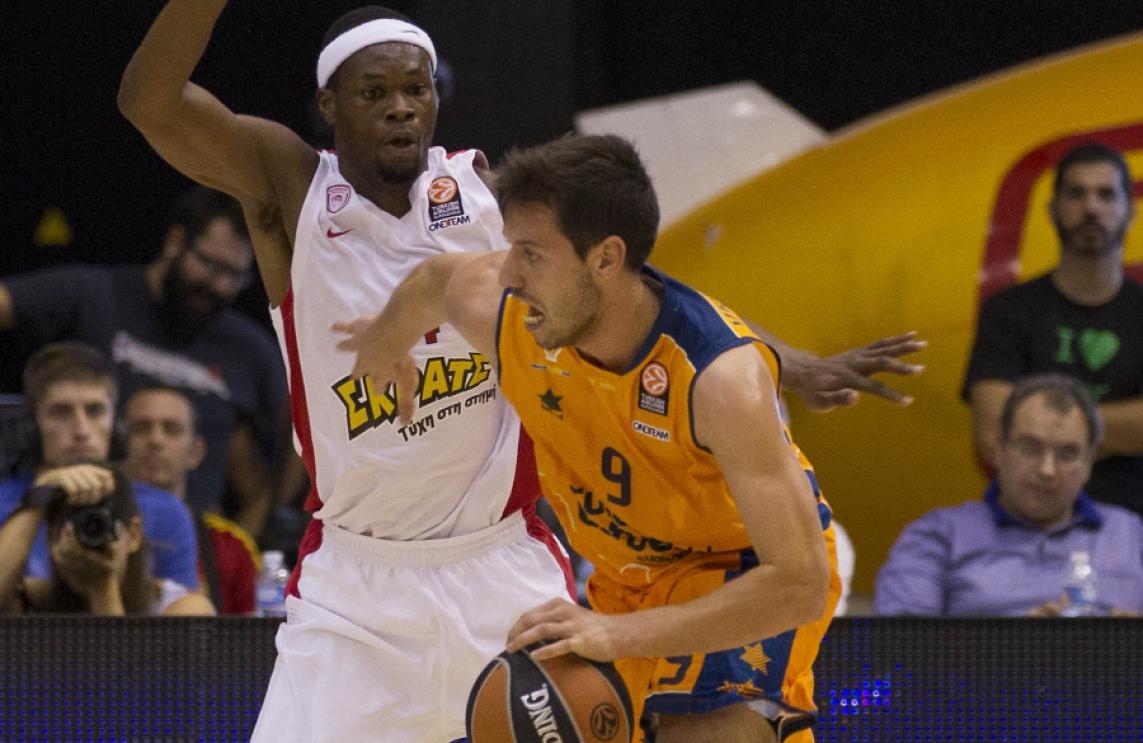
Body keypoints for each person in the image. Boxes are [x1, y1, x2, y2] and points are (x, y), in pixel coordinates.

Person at [119, 5, 921, 741]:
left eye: (415, 89)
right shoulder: (289, 189)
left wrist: (787, 360)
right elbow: (149, 103)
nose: (400, 108)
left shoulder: (485, 199)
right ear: (329, 103)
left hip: (501, 566)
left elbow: (626, 287)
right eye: (374, 92)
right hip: (356, 586)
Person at [337, 133, 841, 743]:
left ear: (605, 258)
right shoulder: (509, 315)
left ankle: (759, 720)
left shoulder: (720, 380)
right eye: (511, 247)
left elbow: (801, 583)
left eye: (531, 253)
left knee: (695, 732)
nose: (509, 274)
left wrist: (617, 635)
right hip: (624, 581)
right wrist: (386, 340)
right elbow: (436, 282)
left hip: (744, 575)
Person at [0, 186, 286, 534]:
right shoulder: (94, 296)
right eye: (211, 265)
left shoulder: (250, 350)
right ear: (176, 242)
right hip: (70, 525)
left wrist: (239, 545)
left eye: (236, 275)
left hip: (191, 543)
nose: (221, 286)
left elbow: (296, 446)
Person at [963, 143, 1143, 516]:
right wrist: (1123, 429)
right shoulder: (1008, 311)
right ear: (1053, 210)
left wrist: (1032, 434)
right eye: (1076, 194)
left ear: (1131, 212)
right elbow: (992, 436)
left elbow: (1008, 430)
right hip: (1026, 530)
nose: (1091, 208)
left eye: (1106, 195)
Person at [876, 374, 1143, 617]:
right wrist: (1014, 645)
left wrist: (1128, 643)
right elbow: (900, 649)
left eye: (1066, 454)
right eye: (1030, 447)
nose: (1047, 470)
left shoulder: (1131, 534)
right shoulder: (938, 536)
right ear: (999, 450)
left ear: (1088, 462)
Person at [0, 343, 200, 601]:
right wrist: (38, 499)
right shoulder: (4, 503)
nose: (82, 430)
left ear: (117, 427)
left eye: (95, 411)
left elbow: (183, 619)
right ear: (31, 428)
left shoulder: (165, 512)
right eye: (61, 412)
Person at [0, 463, 215, 616]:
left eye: (98, 526)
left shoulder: (183, 608)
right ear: (50, 539)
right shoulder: (39, 596)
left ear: (134, 535)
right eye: (68, 529)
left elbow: (127, 669)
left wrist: (101, 585)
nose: (83, 541)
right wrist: (38, 496)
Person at [123, 386, 260, 615]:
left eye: (171, 429)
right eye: (141, 428)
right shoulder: (93, 531)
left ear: (196, 452)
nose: (155, 440)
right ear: (119, 444)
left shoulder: (231, 546)